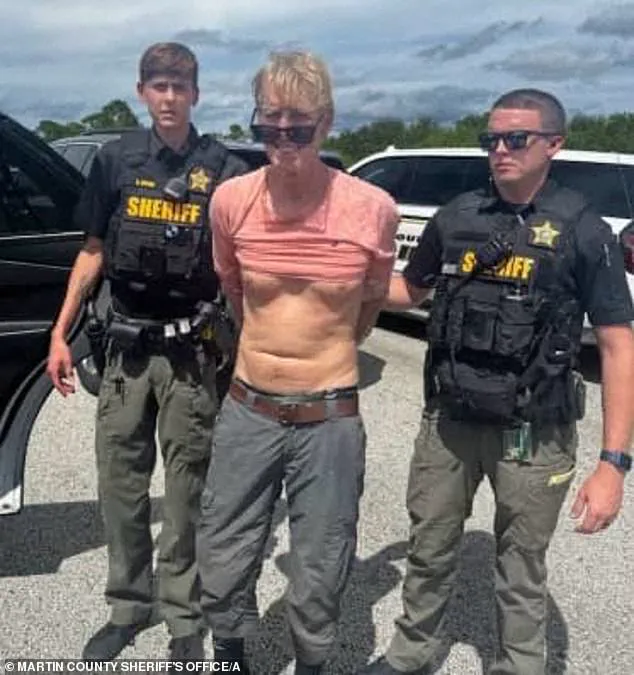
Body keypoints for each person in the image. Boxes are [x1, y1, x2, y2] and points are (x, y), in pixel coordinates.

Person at [360, 88, 634, 675]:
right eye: (492, 139)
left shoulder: (584, 230)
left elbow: (618, 346)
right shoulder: (457, 216)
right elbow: (409, 291)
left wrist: (613, 464)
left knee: (521, 566)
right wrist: (341, 274)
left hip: (534, 431)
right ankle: (411, 652)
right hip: (450, 423)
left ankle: (519, 664)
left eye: (517, 139)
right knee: (429, 547)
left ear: (554, 144)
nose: (500, 150)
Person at [194, 50, 400, 674]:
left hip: (329, 414)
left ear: (327, 123)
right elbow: (234, 290)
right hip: (247, 405)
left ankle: (311, 660)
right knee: (223, 547)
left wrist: (322, 351)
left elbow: (369, 306)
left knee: (321, 560)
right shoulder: (231, 201)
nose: (283, 136)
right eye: (269, 123)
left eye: (299, 124)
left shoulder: (373, 209)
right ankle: (228, 652)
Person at [46, 42, 249, 661]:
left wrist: (249, 349)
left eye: (180, 87)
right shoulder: (114, 160)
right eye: (159, 86)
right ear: (142, 92)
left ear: (196, 94)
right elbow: (92, 252)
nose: (169, 97)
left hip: (192, 356)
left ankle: (184, 616)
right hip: (126, 355)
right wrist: (60, 332)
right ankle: (128, 607)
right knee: (121, 489)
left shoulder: (225, 169)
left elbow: (238, 267)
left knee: (187, 493)